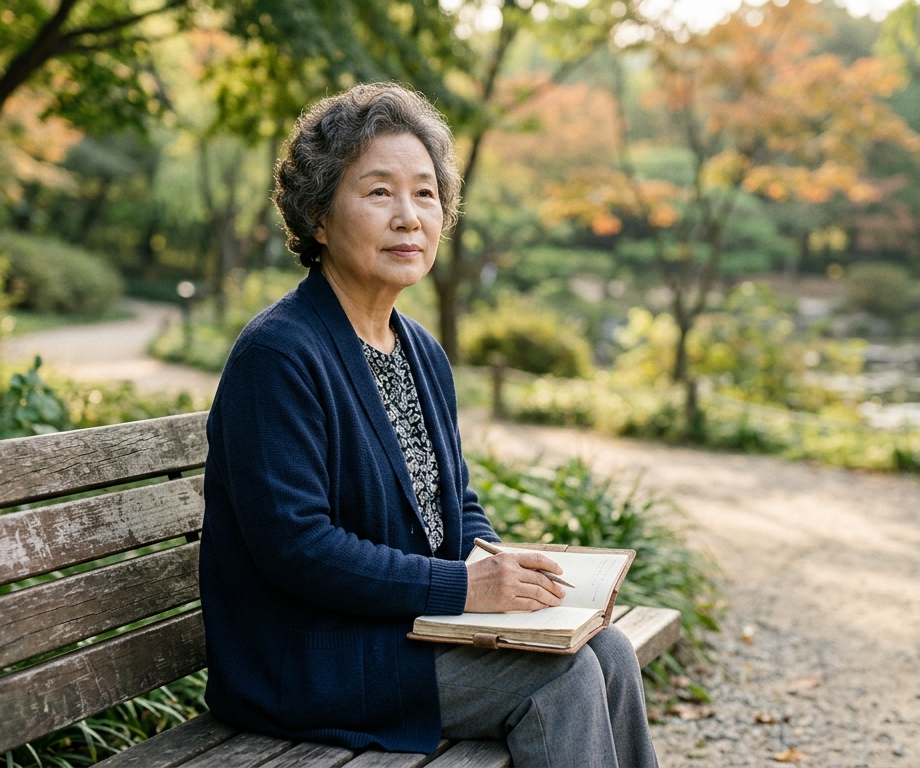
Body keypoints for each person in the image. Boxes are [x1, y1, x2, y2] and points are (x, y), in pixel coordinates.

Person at [198, 82, 658, 768]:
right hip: (311, 660)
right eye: (379, 192)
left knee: (608, 648)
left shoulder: (419, 351)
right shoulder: (280, 354)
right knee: (560, 680)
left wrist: (509, 575)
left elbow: (455, 508)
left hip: (403, 632)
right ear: (318, 216)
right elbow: (297, 547)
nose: (409, 217)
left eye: (425, 194)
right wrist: (465, 590)